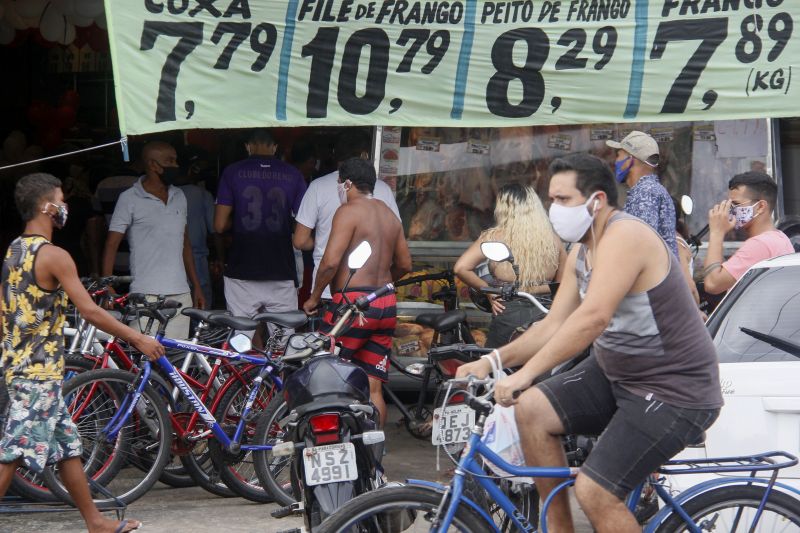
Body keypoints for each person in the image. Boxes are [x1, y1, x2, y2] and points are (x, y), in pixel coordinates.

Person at [456, 154, 722, 533]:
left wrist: (524, 375)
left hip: (672, 386)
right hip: (618, 373)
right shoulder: (583, 249)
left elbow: (592, 317)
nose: (554, 209)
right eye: (551, 199)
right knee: (530, 409)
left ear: (596, 200)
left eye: (563, 200)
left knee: (595, 490)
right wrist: (493, 360)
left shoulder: (625, 236)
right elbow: (555, 322)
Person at [0, 173, 165, 533]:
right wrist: (137, 339)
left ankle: (95, 522)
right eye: (61, 199)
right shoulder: (54, 255)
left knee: (67, 446)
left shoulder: (14, 250)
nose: (64, 207)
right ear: (47, 207)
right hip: (37, 371)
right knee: (13, 451)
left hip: (21, 365)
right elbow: (89, 311)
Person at [303, 158, 412, 427]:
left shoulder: (348, 211)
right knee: (374, 386)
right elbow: (405, 265)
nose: (339, 187)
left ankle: (331, 444)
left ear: (347, 183)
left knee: (326, 373)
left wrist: (315, 297)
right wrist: (383, 286)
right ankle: (373, 457)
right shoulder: (388, 214)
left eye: (340, 183)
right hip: (384, 302)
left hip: (353, 305)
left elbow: (329, 262)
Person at [102, 141, 206, 339]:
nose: (175, 166)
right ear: (153, 165)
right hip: (145, 294)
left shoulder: (179, 195)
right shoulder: (129, 198)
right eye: (170, 161)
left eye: (175, 160)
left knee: (175, 360)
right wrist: (107, 285)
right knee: (144, 360)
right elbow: (111, 244)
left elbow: (186, 244)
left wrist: (196, 286)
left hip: (180, 294)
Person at [214, 129, 306, 336]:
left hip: (242, 270)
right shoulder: (293, 174)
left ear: (248, 146)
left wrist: (238, 221)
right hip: (281, 270)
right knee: (283, 345)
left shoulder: (232, 172)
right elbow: (303, 224)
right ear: (274, 147)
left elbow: (219, 225)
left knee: (241, 342)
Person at [293, 130, 400, 305]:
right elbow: (399, 251)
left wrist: (321, 241)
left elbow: (300, 241)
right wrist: (384, 282)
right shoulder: (383, 190)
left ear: (336, 155)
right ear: (365, 154)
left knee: (330, 333)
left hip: (329, 292)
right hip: (375, 292)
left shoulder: (318, 187)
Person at [453, 183, 567, 348]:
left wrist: (489, 292)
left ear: (504, 208)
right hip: (545, 311)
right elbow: (562, 285)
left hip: (509, 310)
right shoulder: (553, 240)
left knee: (498, 367)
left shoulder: (495, 237)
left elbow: (460, 268)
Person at [703, 171, 794, 295]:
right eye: (730, 205)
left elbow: (713, 284)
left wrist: (716, 233)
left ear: (761, 206)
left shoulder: (760, 245)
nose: (731, 211)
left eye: (736, 205)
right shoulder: (781, 238)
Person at [607, 131, 679, 257]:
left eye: (619, 155)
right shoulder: (647, 189)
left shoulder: (645, 193)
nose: (616, 161)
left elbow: (641, 246)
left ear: (630, 159)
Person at [176, 153, 215, 308]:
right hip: (198, 259)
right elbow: (214, 228)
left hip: (172, 262)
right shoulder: (202, 194)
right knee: (202, 308)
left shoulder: (165, 194)